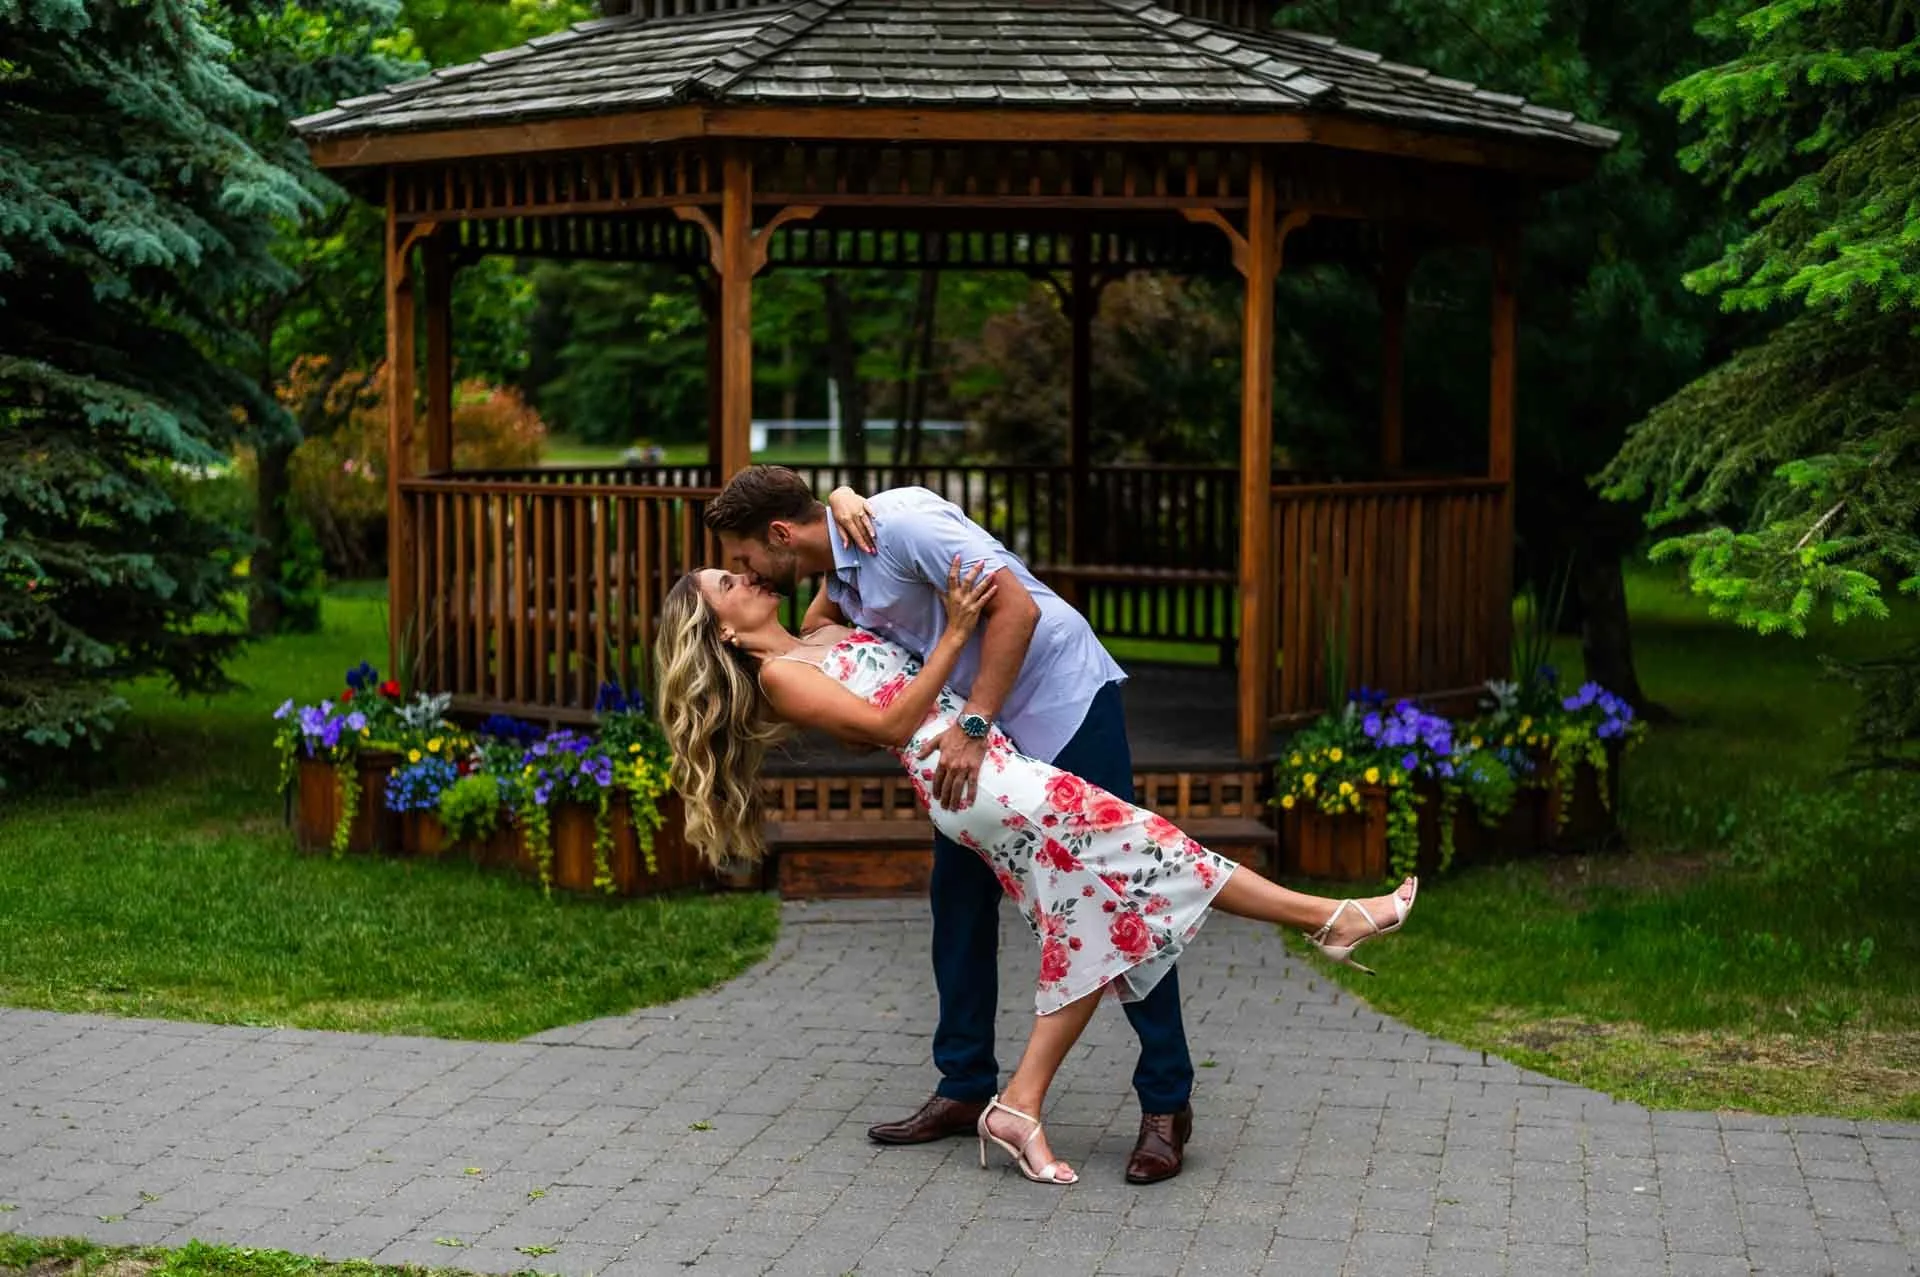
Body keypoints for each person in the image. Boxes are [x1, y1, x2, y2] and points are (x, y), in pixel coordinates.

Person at [653, 557, 1417, 1186]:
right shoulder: (782, 675)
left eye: (739, 568)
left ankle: (1018, 1105)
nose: (748, 576)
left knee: (1102, 921)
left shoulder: (819, 626)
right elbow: (890, 723)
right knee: (1158, 850)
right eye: (728, 583)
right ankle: (1331, 917)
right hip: (972, 783)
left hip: (996, 768)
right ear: (721, 627)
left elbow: (834, 550)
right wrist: (953, 632)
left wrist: (848, 497)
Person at [707, 465, 1201, 1183]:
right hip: (979, 749)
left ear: (779, 535)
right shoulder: (840, 574)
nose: (743, 571)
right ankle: (966, 1083)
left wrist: (974, 722)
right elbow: (830, 662)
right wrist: (840, 496)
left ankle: (1166, 1103)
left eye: (743, 557)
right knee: (958, 902)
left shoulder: (902, 524)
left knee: (1118, 890)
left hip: (1055, 702)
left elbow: (1018, 613)